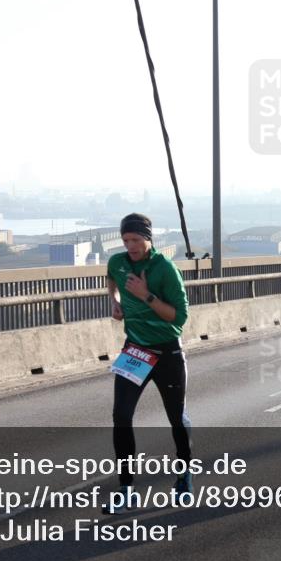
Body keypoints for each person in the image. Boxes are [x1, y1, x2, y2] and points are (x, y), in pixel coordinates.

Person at [103, 213, 192, 512]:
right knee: (121, 416)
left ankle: (183, 476)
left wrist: (145, 295)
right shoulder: (118, 262)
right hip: (136, 351)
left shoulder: (164, 269)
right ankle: (126, 488)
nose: (130, 246)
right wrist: (114, 301)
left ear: (148, 238)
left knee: (176, 418)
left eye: (136, 240)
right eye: (126, 240)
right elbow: (110, 278)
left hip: (167, 351)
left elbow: (178, 318)